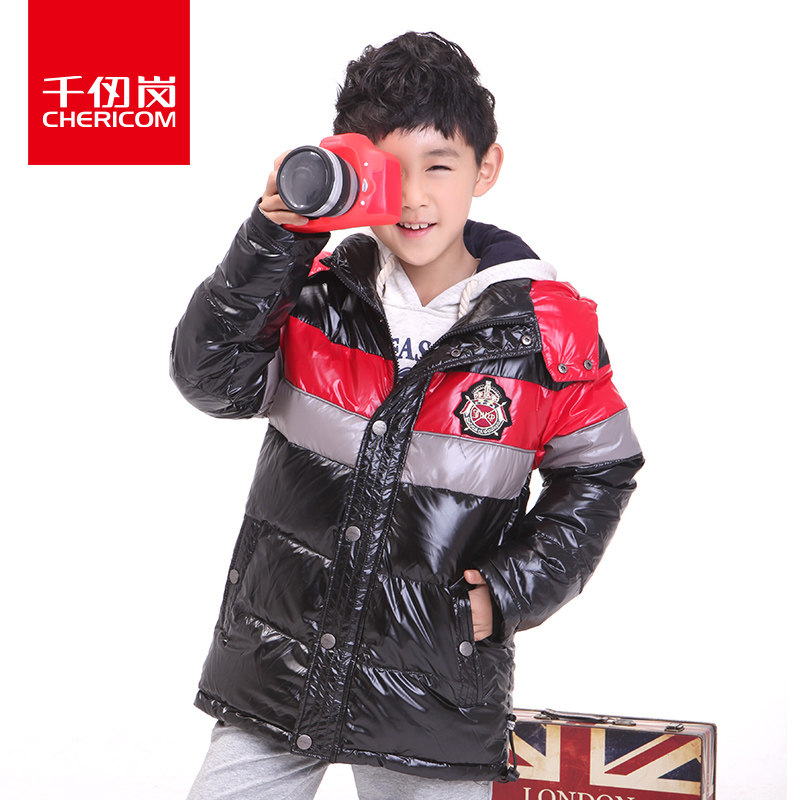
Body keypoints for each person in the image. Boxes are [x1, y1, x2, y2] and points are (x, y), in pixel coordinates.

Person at [170, 30, 644, 800]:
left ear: (486, 168)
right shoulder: (317, 297)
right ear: (356, 176)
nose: (415, 197)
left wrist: (510, 590)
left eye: (440, 166)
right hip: (280, 661)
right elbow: (210, 378)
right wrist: (275, 237)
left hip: (434, 686)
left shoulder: (546, 334)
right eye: (389, 172)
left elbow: (602, 470)